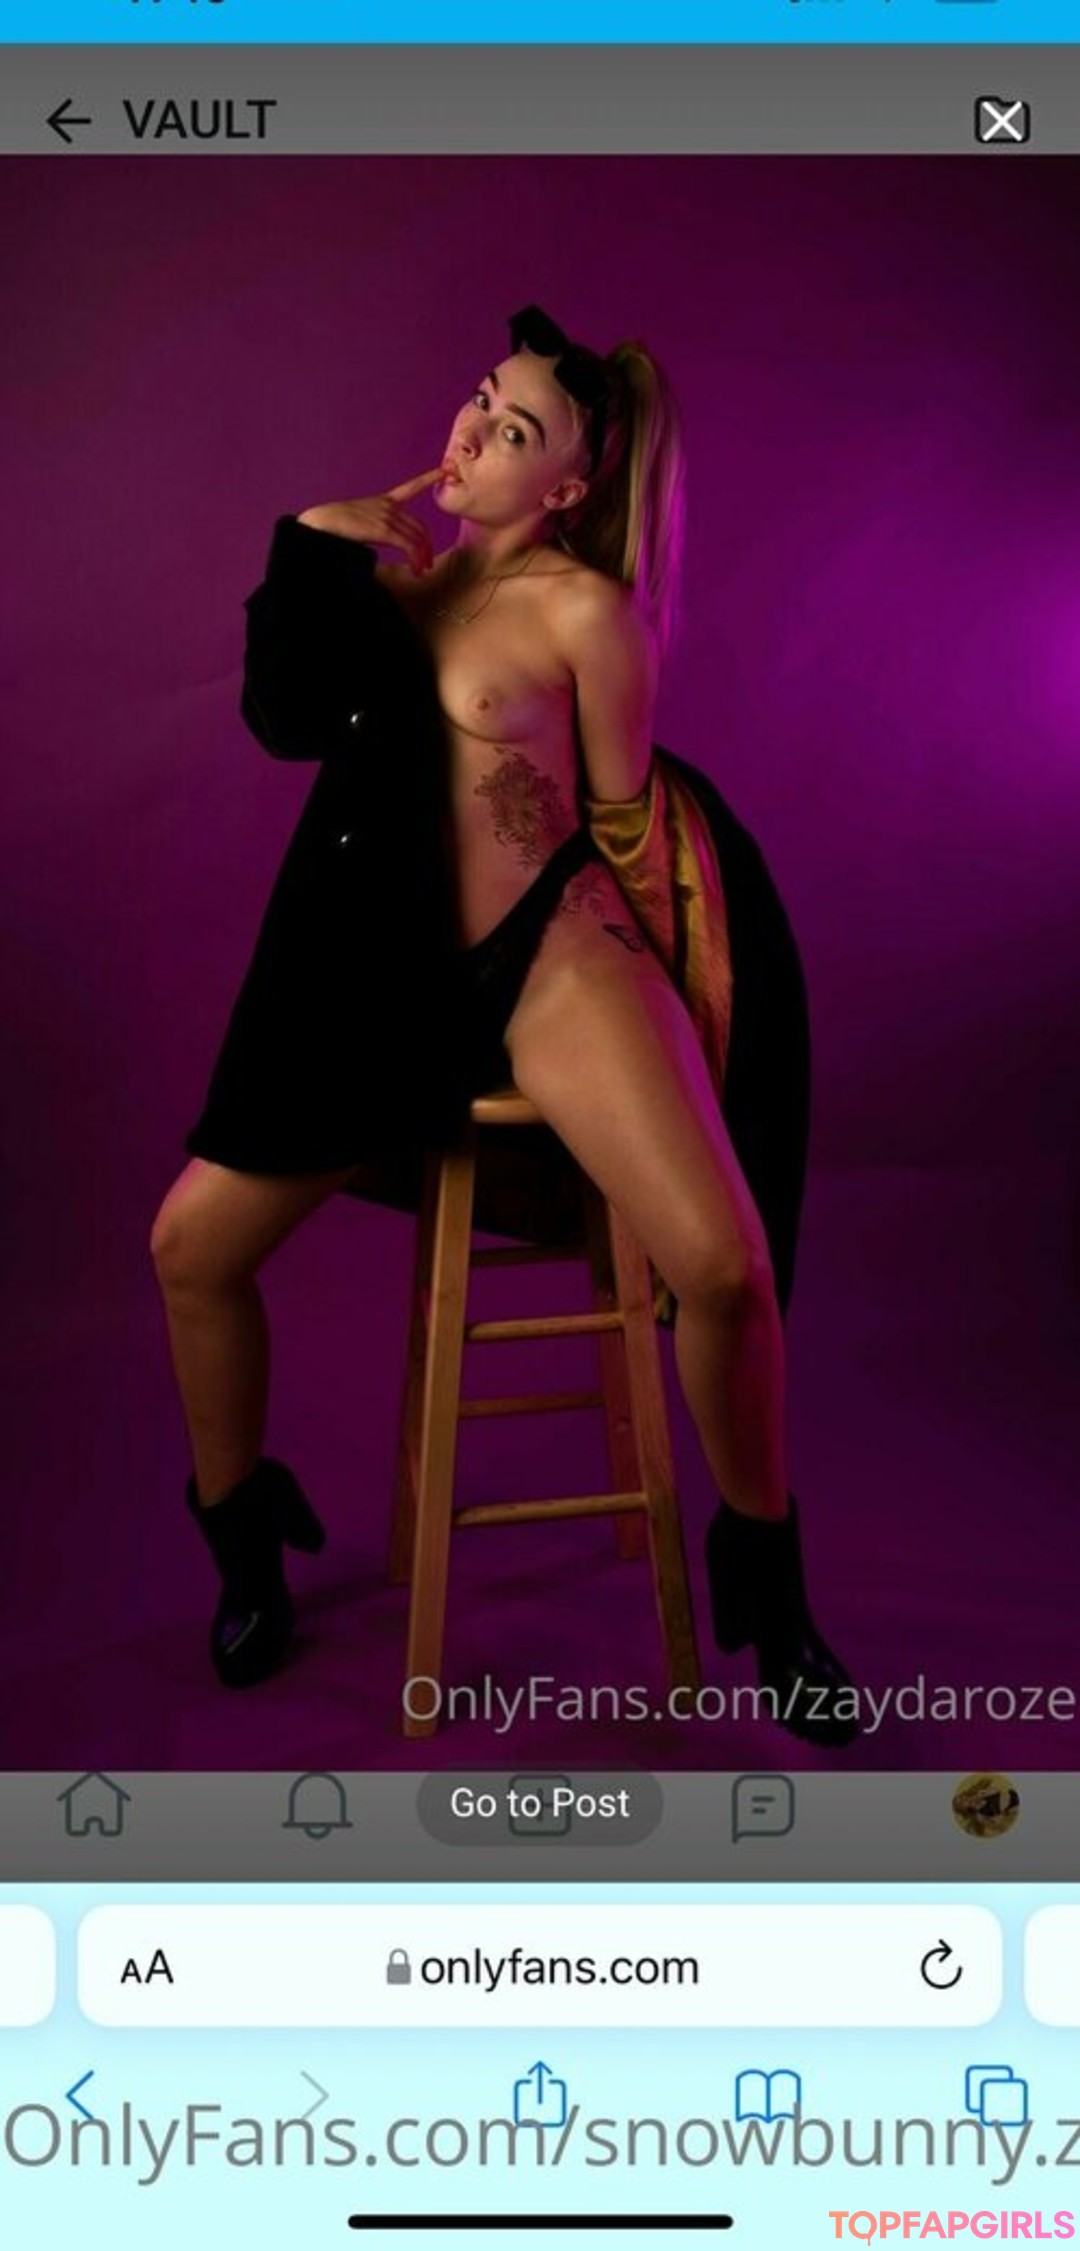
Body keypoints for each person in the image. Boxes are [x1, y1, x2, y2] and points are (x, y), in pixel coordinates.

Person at [150, 304, 857, 1747]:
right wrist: (310, 542)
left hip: (549, 956)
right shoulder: (393, 591)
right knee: (188, 1252)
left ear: (569, 486)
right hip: (379, 980)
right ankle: (245, 1534)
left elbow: (621, 820)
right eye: (483, 397)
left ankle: (767, 1579)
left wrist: (683, 996)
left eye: (517, 426)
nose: (473, 428)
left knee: (724, 1266)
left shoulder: (588, 614)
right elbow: (283, 718)